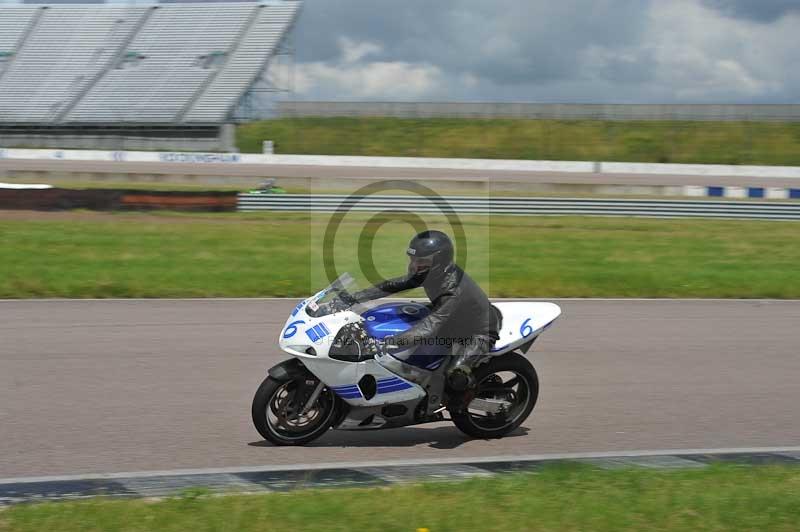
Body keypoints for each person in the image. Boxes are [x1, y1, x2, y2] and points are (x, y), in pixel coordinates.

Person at [347, 230, 500, 412]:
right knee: (397, 317)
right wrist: (352, 298)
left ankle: (466, 395)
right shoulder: (431, 272)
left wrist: (385, 344)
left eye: (421, 262)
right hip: (450, 317)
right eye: (413, 260)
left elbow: (429, 326)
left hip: (477, 331)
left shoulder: (451, 289)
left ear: (439, 261)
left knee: (456, 375)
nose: (414, 266)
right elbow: (392, 285)